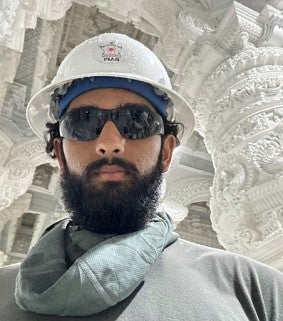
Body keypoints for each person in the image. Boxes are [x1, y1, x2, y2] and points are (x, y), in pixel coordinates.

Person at [0, 33, 282, 321]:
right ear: (60, 154)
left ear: (166, 152)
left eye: (136, 121)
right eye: (84, 122)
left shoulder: (257, 292)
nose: (110, 142)